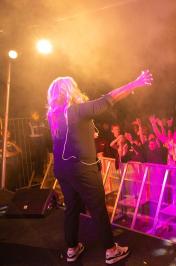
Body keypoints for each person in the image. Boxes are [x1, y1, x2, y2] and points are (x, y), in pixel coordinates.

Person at [47, 70, 152, 264]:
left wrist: (88, 135)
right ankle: (111, 251)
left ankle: (72, 248)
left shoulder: (54, 115)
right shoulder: (77, 110)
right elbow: (109, 98)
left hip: (62, 169)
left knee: (71, 207)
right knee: (98, 208)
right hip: (82, 169)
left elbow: (69, 137)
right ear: (70, 91)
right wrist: (134, 84)